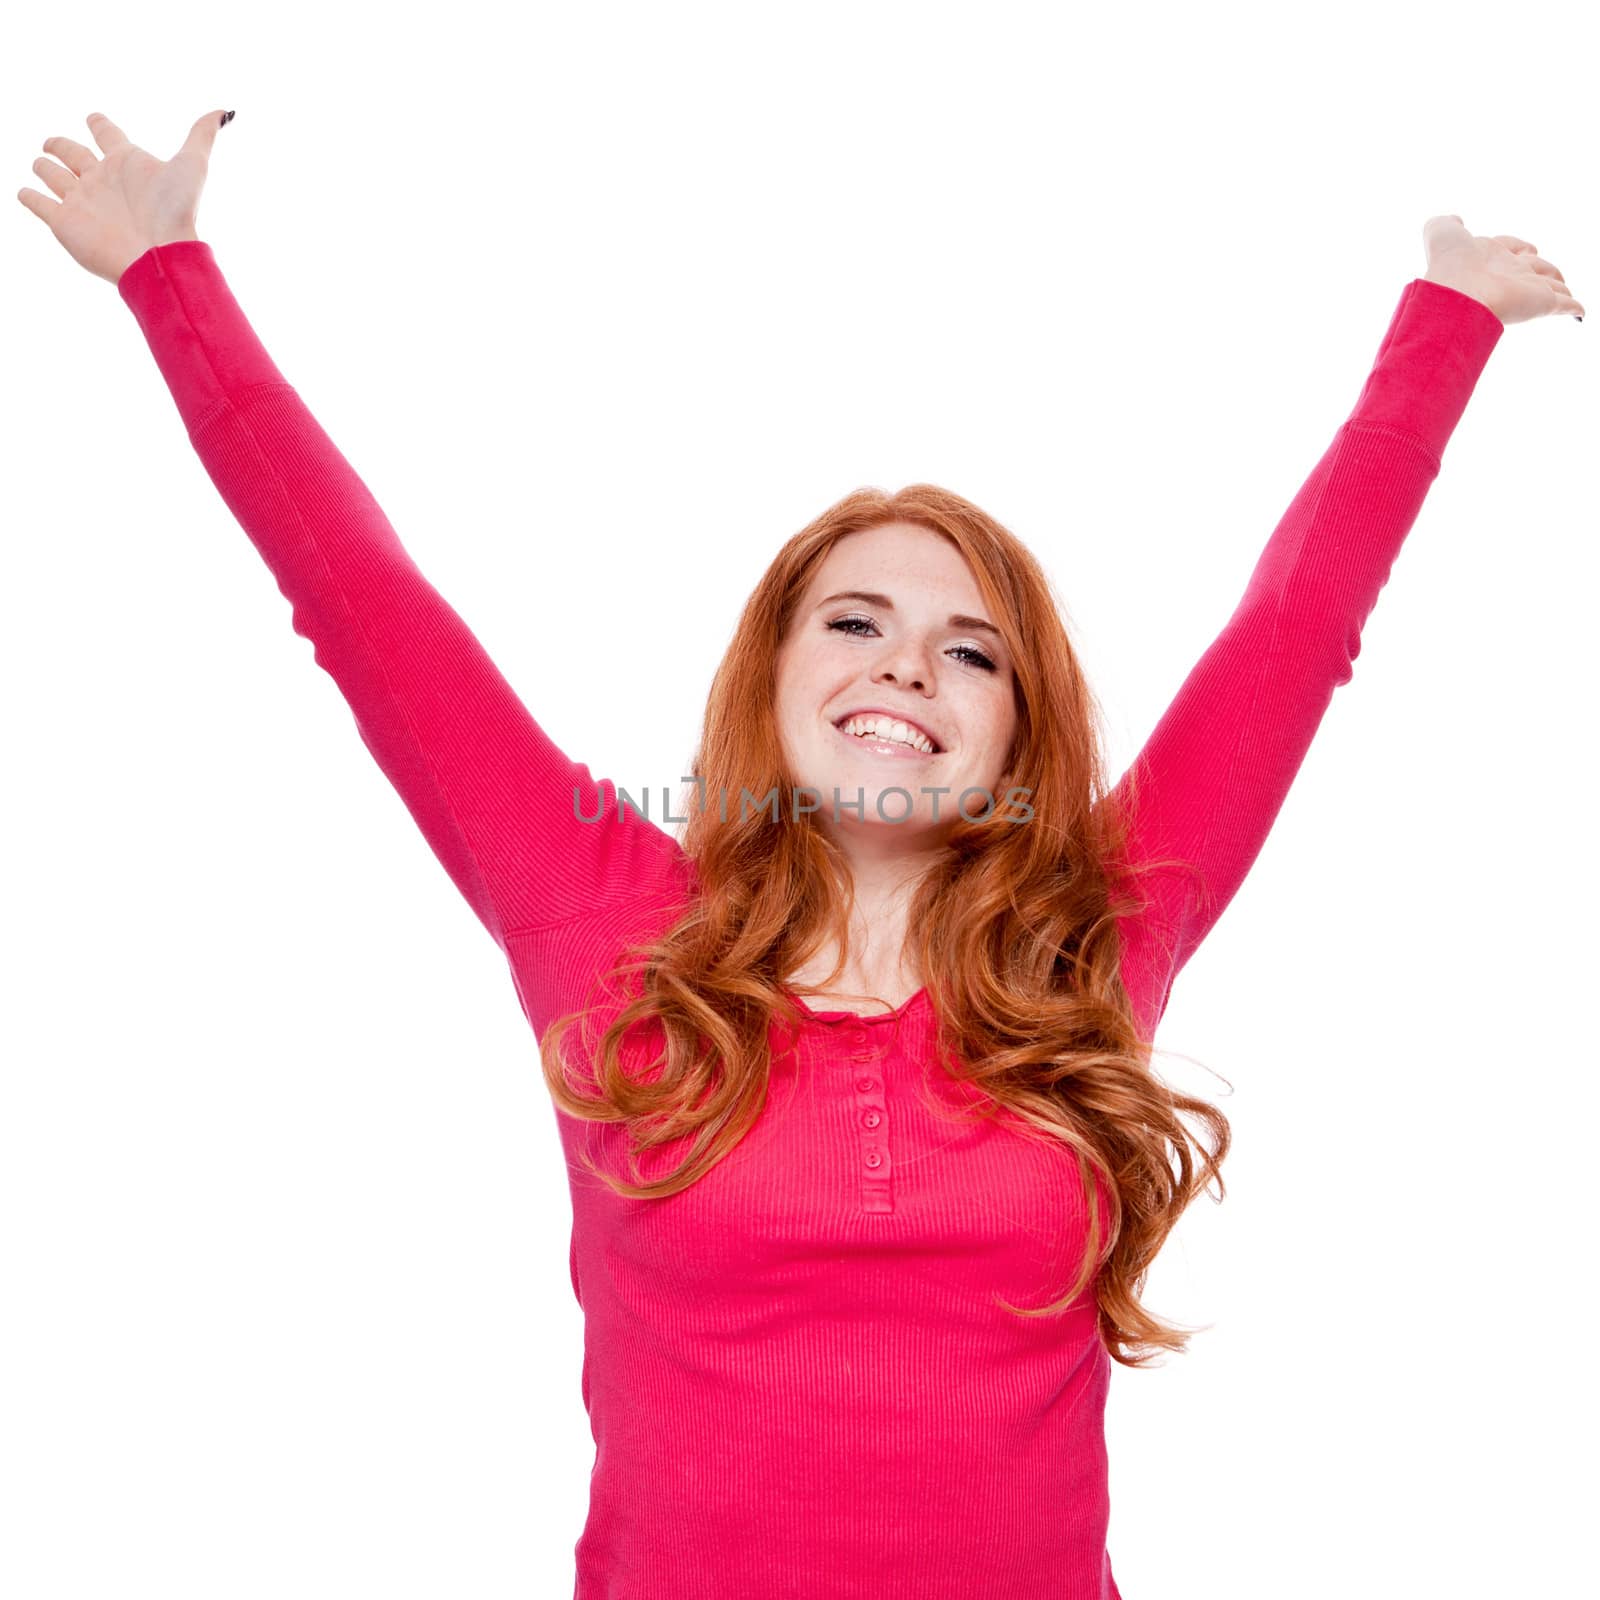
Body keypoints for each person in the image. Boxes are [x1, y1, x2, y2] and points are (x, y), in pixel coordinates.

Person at [18, 107, 1583, 1600]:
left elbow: (1292, 638)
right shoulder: (602, 914)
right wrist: (172, 280)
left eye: (973, 654)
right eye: (856, 623)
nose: (907, 669)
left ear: (1015, 736)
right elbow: (361, 602)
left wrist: (1442, 320)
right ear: (771, 684)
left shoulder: (1089, 943)